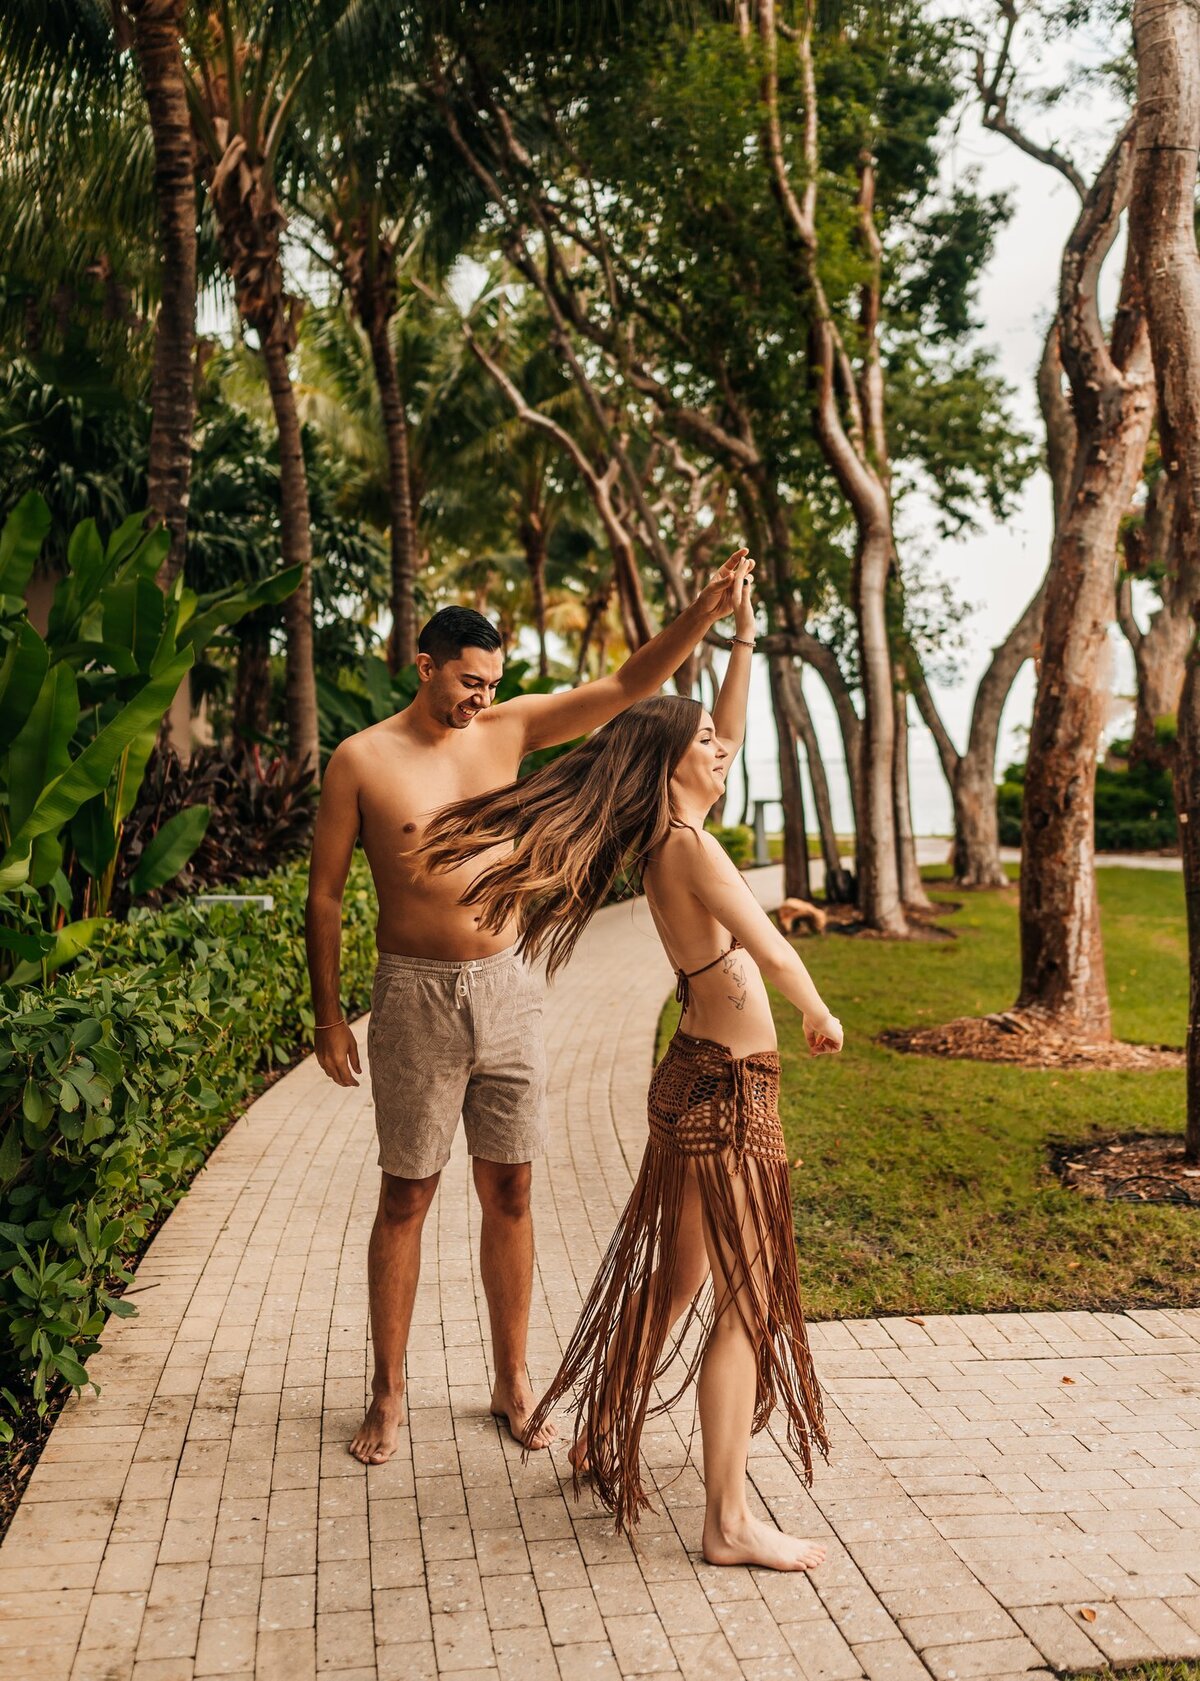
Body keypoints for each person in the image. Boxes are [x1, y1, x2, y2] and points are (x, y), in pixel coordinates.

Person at [421, 563, 843, 1572]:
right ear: (670, 764)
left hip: (697, 1074)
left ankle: (603, 1430)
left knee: (679, 1277)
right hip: (730, 1094)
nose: (722, 748)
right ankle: (728, 1520)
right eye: (703, 742)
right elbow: (775, 950)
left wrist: (742, 633)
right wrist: (816, 1007)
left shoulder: (671, 829)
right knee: (745, 1299)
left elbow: (718, 731)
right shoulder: (689, 846)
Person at [305, 550, 754, 1466]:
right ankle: (388, 1392)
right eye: (468, 681)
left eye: (491, 683)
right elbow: (322, 897)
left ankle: (512, 1381)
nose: (481, 697)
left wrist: (705, 612)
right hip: (413, 995)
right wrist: (325, 1016)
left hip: (508, 988)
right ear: (424, 664)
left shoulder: (506, 731)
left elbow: (633, 680)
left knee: (511, 1187)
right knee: (407, 1193)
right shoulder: (362, 760)